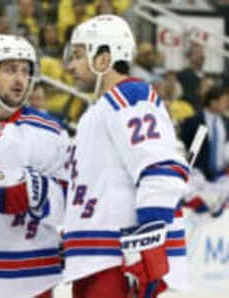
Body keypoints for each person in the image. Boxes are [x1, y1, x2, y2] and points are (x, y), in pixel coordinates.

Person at [62, 15, 189, 298]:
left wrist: (148, 247)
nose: (70, 66)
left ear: (103, 59)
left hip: (118, 261)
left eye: (79, 56)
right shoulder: (96, 112)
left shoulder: (131, 97)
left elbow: (161, 170)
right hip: (92, 259)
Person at [0, 34, 71, 298]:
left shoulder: (50, 131)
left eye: (25, 71)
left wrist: (38, 192)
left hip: (33, 273)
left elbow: (71, 194)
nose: (19, 79)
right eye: (10, 69)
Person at [180, 86, 229, 181]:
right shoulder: (193, 122)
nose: (227, 105)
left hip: (221, 175)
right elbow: (186, 147)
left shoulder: (225, 122)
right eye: (225, 101)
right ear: (213, 102)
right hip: (198, 176)